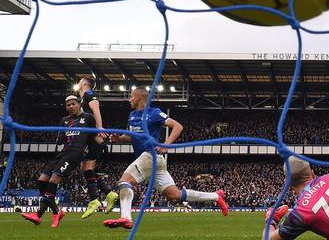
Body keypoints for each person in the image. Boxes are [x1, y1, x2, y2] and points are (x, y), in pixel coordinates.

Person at [103, 87, 229, 229]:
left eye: (131, 96)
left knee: (124, 182)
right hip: (154, 161)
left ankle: (125, 217)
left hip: (150, 156)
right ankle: (216, 196)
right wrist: (119, 138)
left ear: (139, 97)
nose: (129, 99)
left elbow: (177, 126)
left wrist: (166, 144)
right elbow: (132, 136)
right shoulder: (131, 115)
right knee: (175, 196)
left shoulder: (154, 113)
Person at [21, 95, 97, 227]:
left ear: (79, 104)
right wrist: (60, 138)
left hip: (75, 153)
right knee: (41, 181)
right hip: (63, 153)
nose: (71, 107)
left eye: (73, 104)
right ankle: (57, 212)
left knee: (52, 182)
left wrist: (94, 150)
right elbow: (61, 139)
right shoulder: (65, 120)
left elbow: (94, 136)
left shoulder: (88, 118)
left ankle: (38, 215)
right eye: (68, 105)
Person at [76, 77, 119, 219]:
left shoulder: (89, 94)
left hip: (93, 136)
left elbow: (95, 107)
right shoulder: (82, 99)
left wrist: (99, 127)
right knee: (85, 169)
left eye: (79, 81)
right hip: (88, 136)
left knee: (87, 168)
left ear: (83, 84)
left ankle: (95, 200)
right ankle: (108, 193)